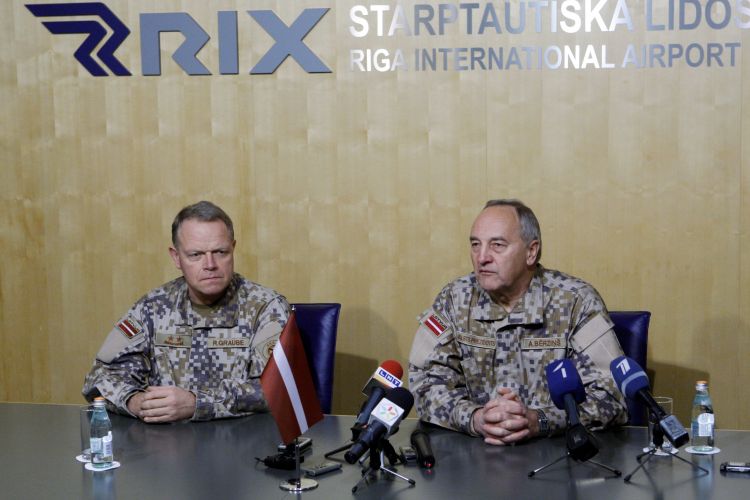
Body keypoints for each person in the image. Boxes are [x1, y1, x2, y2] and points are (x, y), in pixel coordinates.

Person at [408, 199, 628, 445]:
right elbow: (425, 384)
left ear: (531, 252)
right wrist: (475, 418)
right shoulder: (454, 299)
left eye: (497, 245)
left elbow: (612, 397)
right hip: (476, 451)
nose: (482, 257)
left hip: (557, 452)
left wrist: (540, 420)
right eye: (475, 244)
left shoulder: (576, 301)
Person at [82, 201, 290, 423]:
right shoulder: (153, 308)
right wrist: (135, 401)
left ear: (233, 249)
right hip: (166, 440)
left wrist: (196, 403)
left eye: (220, 252)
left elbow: (277, 388)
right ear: (176, 257)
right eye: (196, 254)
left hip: (243, 438)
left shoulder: (265, 307)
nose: (210, 264)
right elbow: (99, 379)